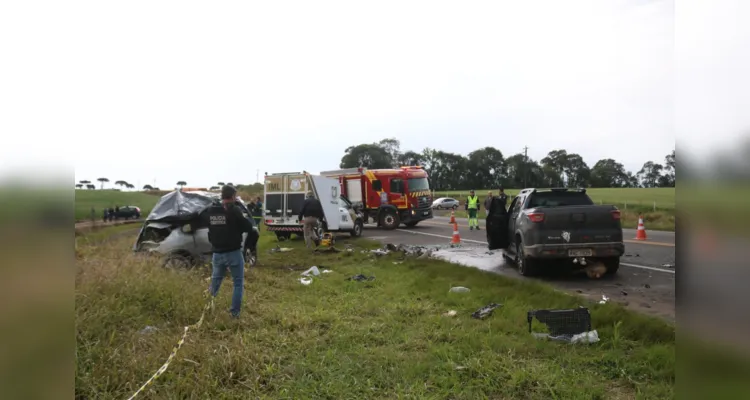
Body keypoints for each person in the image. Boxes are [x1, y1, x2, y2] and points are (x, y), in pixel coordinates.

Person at [207, 185, 256, 319]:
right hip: (233, 252)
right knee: (238, 283)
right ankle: (234, 314)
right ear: (233, 196)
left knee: (215, 282)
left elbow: (209, 227)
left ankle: (206, 308)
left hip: (217, 253)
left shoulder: (212, 210)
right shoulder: (234, 210)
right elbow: (248, 227)